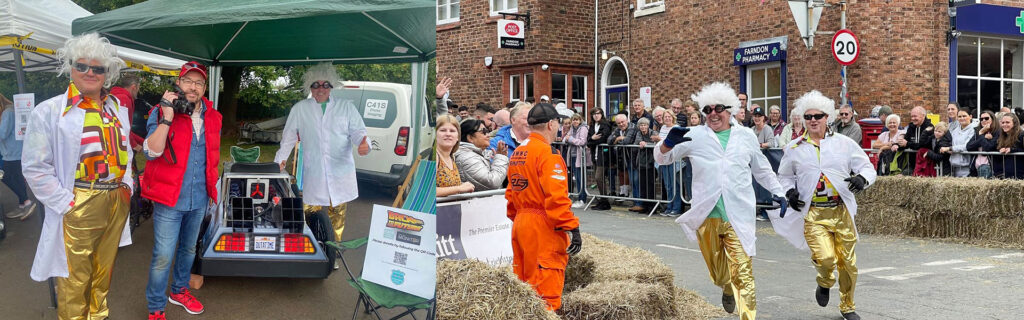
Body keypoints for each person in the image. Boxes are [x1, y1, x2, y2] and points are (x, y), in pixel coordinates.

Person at [23, 33, 133, 320]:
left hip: (115, 198)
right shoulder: (48, 111)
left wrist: (127, 187)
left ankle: (99, 316)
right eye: (82, 66)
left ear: (107, 74)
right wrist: (65, 202)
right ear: (70, 67)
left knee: (103, 273)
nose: (90, 73)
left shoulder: (117, 110)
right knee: (73, 278)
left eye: (98, 68)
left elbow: (127, 153)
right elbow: (35, 166)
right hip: (77, 200)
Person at [654, 82, 787, 320]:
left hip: (738, 215)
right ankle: (725, 286)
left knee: (744, 273)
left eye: (718, 109)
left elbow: (762, 169)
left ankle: (747, 315)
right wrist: (667, 143)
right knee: (718, 274)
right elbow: (663, 159)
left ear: (730, 110)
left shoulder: (745, 136)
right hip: (708, 215)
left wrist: (779, 192)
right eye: (707, 110)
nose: (713, 114)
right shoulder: (694, 135)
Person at [774, 90, 876, 320]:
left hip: (841, 211)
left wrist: (862, 179)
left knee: (848, 264)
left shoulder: (844, 144)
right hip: (814, 213)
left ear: (827, 117)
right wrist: (789, 192)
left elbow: (867, 167)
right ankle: (824, 281)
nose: (812, 120)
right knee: (827, 259)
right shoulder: (795, 148)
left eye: (817, 116)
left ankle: (847, 306)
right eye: (808, 116)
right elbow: (784, 176)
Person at [141, 60, 220, 319]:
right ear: (178, 83)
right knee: (163, 255)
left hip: (199, 198)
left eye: (198, 83)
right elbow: (151, 152)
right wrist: (167, 118)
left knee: (188, 249)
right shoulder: (160, 112)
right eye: (188, 81)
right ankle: (155, 307)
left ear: (205, 88)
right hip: (169, 199)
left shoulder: (213, 116)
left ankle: (179, 290)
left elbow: (212, 156)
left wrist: (212, 191)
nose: (193, 87)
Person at [276, 62, 370, 265]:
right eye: (316, 85)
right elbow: (289, 136)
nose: (320, 89)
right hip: (314, 171)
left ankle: (332, 254)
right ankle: (312, 248)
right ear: (310, 87)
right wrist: (280, 159)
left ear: (332, 86)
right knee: (311, 211)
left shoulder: (346, 107)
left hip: (340, 171)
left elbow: (359, 132)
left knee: (337, 215)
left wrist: (364, 144)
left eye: (325, 85)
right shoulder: (300, 109)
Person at [505, 103, 581, 311]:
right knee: (546, 294)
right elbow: (556, 198)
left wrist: (521, 219)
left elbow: (511, 196)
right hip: (543, 227)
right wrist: (572, 227)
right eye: (558, 122)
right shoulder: (548, 154)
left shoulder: (519, 151)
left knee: (524, 289)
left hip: (521, 224)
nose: (559, 127)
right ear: (551, 123)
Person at [1, 94, 37, 220]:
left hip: (12, 153)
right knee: (17, 177)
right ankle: (22, 205)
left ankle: (27, 201)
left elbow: (2, 134)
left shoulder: (7, 113)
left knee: (4, 176)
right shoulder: (11, 110)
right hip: (14, 151)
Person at [454, 119, 508, 190]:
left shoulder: (480, 153)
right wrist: (501, 158)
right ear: (470, 138)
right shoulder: (467, 158)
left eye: (488, 131)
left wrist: (496, 160)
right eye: (483, 132)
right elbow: (492, 183)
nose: (488, 135)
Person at [436, 115, 474, 196]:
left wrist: (463, 185)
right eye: (443, 130)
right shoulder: (435, 157)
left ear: (457, 137)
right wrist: (459, 188)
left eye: (452, 131)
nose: (448, 134)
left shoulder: (451, 156)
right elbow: (428, 191)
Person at [561, 113, 590, 208]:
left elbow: (582, 141)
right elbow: (564, 139)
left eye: (577, 120)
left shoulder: (583, 128)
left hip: (580, 156)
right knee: (576, 178)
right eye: (573, 120)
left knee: (580, 178)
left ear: (580, 120)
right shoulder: (572, 129)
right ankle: (579, 197)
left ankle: (582, 199)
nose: (575, 121)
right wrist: (568, 139)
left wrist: (571, 139)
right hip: (573, 155)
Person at [110, 72, 145, 152]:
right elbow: (121, 127)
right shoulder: (124, 99)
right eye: (138, 88)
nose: (138, 91)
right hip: (118, 146)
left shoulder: (117, 96)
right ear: (134, 87)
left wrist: (144, 142)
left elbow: (127, 129)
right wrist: (134, 145)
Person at [658, 109, 683, 217]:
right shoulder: (663, 128)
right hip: (664, 159)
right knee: (667, 185)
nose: (667, 118)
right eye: (665, 117)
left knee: (675, 184)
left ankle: (676, 208)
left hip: (674, 158)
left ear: (673, 117)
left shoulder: (676, 128)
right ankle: (669, 206)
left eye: (669, 116)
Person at [984, 113, 1024, 179]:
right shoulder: (1000, 136)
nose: (1004, 125)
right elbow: (988, 148)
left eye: (1007, 122)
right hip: (1003, 176)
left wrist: (1012, 150)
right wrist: (982, 135)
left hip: (1019, 176)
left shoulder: (1021, 135)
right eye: (1003, 123)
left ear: (1014, 123)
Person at [631, 117, 659, 213]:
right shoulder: (639, 133)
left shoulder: (653, 133)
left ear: (648, 125)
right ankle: (644, 205)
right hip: (641, 163)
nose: (643, 127)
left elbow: (655, 144)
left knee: (650, 185)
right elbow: (636, 143)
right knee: (642, 185)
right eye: (641, 125)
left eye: (645, 125)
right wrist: (640, 142)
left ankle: (651, 206)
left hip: (651, 162)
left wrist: (646, 143)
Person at [587, 107, 613, 210]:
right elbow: (588, 141)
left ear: (602, 114)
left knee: (599, 177)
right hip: (595, 155)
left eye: (598, 113)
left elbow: (603, 138)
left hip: (603, 154)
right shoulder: (592, 125)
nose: (596, 115)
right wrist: (592, 139)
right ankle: (603, 200)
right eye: (594, 114)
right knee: (598, 179)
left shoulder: (605, 125)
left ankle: (605, 201)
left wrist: (591, 140)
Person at [608, 114, 637, 203]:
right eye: (618, 123)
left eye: (622, 122)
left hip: (632, 156)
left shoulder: (632, 127)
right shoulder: (617, 130)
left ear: (627, 120)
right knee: (621, 173)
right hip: (621, 155)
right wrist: (617, 139)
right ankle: (623, 192)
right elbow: (609, 141)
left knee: (632, 177)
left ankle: (633, 196)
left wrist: (617, 140)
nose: (621, 124)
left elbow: (627, 141)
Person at [896, 106, 934, 171]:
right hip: (912, 163)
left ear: (923, 116)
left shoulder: (929, 127)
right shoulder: (911, 127)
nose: (913, 118)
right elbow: (905, 141)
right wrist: (897, 145)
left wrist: (907, 144)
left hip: (926, 163)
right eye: (912, 116)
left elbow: (923, 145)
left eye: (915, 116)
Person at [947, 109, 977, 177]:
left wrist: (951, 148)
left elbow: (966, 146)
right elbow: (950, 143)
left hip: (967, 167)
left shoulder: (974, 130)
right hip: (954, 166)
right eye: (959, 116)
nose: (962, 118)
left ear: (970, 116)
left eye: (964, 116)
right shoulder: (955, 131)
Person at [967, 111, 996, 178]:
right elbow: (968, 146)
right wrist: (982, 135)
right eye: (981, 119)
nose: (983, 120)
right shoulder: (977, 131)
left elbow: (988, 148)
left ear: (992, 119)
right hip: (975, 167)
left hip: (988, 166)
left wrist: (981, 135)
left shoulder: (996, 132)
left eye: (986, 118)